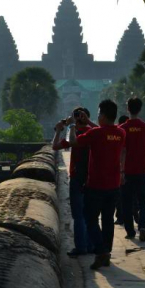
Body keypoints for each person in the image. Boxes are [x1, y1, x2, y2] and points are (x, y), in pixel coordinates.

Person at [66, 99, 126, 270]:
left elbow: (73, 142)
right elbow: (103, 131)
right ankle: (106, 251)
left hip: (96, 184)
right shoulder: (121, 133)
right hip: (113, 185)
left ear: (104, 115)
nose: (97, 115)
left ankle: (101, 251)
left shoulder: (95, 134)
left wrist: (71, 126)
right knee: (107, 220)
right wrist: (89, 122)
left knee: (89, 218)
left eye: (99, 113)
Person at [53, 107, 95, 257]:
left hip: (78, 177)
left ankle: (81, 246)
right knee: (90, 214)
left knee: (78, 215)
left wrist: (67, 127)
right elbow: (55, 147)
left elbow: (59, 145)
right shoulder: (94, 133)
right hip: (92, 178)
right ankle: (91, 245)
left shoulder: (79, 134)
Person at [120, 97, 145, 242]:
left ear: (128, 108)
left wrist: (121, 171)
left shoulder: (123, 128)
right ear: (140, 109)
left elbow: (122, 151)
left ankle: (130, 231)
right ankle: (142, 226)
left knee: (126, 203)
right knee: (143, 201)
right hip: (142, 170)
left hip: (128, 171)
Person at [114, 115, 130, 226]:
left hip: (120, 169)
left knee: (119, 195)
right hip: (134, 169)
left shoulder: (118, 133)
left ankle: (120, 217)